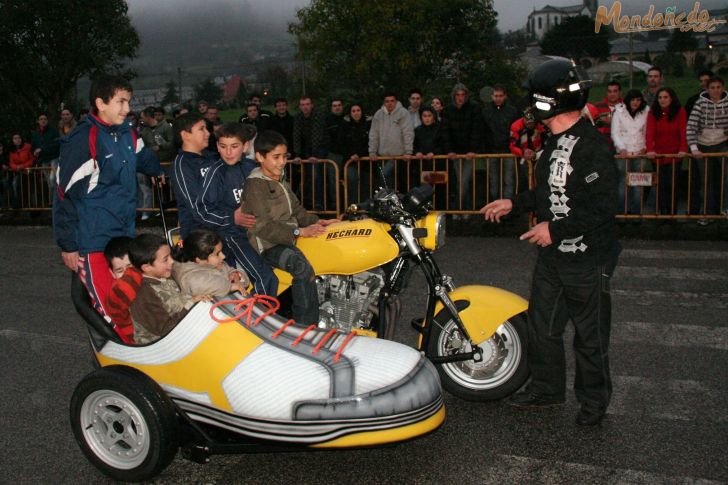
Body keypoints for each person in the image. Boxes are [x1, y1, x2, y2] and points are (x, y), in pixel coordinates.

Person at [481, 59, 620, 426]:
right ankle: (546, 390)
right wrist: (515, 202)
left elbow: (603, 207)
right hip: (552, 257)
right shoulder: (553, 140)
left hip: (589, 259)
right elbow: (547, 192)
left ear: (549, 102)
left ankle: (593, 404)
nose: (530, 105)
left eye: (534, 98)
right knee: (543, 327)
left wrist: (554, 230)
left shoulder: (593, 147)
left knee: (590, 338)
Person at [53, 74, 164, 318]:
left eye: (129, 101)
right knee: (111, 312)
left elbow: (143, 159)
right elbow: (64, 196)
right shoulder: (83, 139)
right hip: (92, 242)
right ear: (101, 103)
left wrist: (161, 171)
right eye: (121, 102)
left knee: (132, 305)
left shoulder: (127, 133)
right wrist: (68, 245)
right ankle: (112, 355)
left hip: (124, 237)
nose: (128, 108)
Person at [242, 130, 339, 324]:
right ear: (260, 157)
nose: (282, 162)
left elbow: (296, 209)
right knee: (302, 268)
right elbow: (262, 226)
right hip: (268, 245)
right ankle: (305, 327)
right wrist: (298, 231)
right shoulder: (255, 185)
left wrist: (316, 221)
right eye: (275, 157)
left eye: (284, 156)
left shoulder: (279, 178)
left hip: (286, 237)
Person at [195, 122, 278, 296]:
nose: (229, 152)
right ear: (217, 146)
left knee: (272, 275)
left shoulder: (252, 169)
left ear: (246, 146)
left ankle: (255, 312)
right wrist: (232, 218)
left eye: (234, 146)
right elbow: (202, 211)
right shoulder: (215, 173)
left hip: (258, 233)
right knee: (266, 278)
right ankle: (255, 321)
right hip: (231, 236)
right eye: (223, 146)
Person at [128, 234, 202, 344]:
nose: (172, 261)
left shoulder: (164, 274)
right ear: (147, 267)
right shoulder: (144, 298)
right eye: (165, 259)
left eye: (170, 255)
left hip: (183, 329)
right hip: (164, 347)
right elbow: (165, 330)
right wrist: (190, 304)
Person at [687, 76, 728, 221]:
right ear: (707, 89)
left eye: (718, 87)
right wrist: (694, 148)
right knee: (706, 181)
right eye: (712, 88)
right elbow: (691, 126)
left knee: (725, 179)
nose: (716, 91)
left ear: (722, 88)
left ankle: (725, 209)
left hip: (722, 144)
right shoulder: (700, 104)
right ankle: (706, 213)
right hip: (703, 145)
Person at [646, 87, 688, 216]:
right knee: (661, 185)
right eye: (660, 97)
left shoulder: (680, 111)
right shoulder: (653, 112)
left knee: (672, 185)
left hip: (674, 155)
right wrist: (650, 150)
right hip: (658, 155)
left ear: (671, 98)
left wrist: (683, 149)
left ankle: (672, 214)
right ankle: (663, 213)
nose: (662, 100)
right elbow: (650, 133)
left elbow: (683, 131)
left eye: (665, 97)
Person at [172, 228, 249, 299]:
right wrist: (232, 286)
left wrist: (235, 274)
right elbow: (220, 285)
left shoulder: (202, 258)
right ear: (199, 260)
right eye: (217, 253)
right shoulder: (194, 279)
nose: (223, 256)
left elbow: (227, 269)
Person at [171, 112, 213, 239]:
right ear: (185, 135)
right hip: (197, 234)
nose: (208, 133)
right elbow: (196, 205)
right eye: (201, 129)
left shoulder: (213, 157)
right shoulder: (182, 165)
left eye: (206, 128)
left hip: (220, 224)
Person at [441, 83, 482, 212]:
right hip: (455, 152)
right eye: (458, 95)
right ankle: (463, 210)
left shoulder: (474, 108)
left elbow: (476, 129)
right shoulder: (448, 110)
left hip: (469, 152)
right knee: (460, 182)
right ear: (454, 96)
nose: (460, 98)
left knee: (463, 181)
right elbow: (446, 131)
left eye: (463, 95)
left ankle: (460, 209)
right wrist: (449, 150)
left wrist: (473, 149)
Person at [611, 89, 649, 215]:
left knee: (638, 184)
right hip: (624, 153)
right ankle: (622, 213)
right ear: (628, 100)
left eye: (638, 100)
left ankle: (636, 213)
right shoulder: (619, 111)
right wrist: (621, 148)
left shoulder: (646, 111)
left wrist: (645, 147)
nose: (636, 102)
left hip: (639, 152)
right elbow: (615, 132)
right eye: (633, 99)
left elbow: (647, 132)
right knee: (623, 183)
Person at [368, 92, 414, 190]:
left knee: (386, 174)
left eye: (392, 101)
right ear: (384, 102)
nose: (390, 103)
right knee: (384, 181)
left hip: (398, 156)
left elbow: (408, 132)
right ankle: (389, 201)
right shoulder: (378, 114)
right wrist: (372, 151)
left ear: (396, 102)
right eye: (387, 101)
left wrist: (408, 151)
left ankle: (392, 198)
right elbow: (374, 134)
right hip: (382, 156)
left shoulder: (403, 113)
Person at [482, 84, 520, 200]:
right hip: (491, 151)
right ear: (492, 97)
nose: (498, 98)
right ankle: (495, 206)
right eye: (496, 96)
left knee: (508, 180)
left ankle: (507, 208)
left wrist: (514, 147)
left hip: (508, 151)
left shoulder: (512, 111)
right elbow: (483, 131)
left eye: (500, 96)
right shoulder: (486, 111)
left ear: (505, 96)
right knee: (494, 181)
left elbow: (517, 131)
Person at [292, 96, 328, 209]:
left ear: (311, 105)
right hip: (307, 149)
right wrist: (297, 154)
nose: (305, 107)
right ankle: (306, 202)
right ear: (300, 106)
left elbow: (317, 136)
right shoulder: (298, 118)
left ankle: (319, 203)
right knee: (306, 175)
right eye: (302, 105)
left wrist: (314, 155)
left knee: (315, 173)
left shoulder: (318, 116)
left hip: (321, 147)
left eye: (307, 104)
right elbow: (296, 136)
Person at [103, 236, 138, 343]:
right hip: (138, 342)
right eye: (119, 270)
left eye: (129, 267)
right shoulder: (118, 294)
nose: (127, 274)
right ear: (112, 273)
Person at [414, 106, 450, 207]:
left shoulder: (440, 129)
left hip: (438, 165)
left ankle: (442, 213)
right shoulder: (417, 130)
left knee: (440, 192)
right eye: (424, 116)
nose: (427, 118)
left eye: (429, 115)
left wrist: (434, 153)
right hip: (423, 166)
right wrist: (417, 152)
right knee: (423, 192)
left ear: (433, 116)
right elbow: (414, 145)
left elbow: (444, 145)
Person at [340, 103, 371, 204]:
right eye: (353, 111)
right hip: (350, 161)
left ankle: (365, 207)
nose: (356, 113)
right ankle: (352, 206)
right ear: (350, 113)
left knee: (365, 184)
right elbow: (342, 143)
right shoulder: (345, 126)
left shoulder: (369, 125)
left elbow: (371, 142)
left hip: (366, 161)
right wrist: (352, 154)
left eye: (358, 110)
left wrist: (360, 154)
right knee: (352, 179)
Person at [509, 107, 545, 194]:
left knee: (540, 179)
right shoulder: (516, 126)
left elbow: (547, 141)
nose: (529, 123)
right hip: (523, 157)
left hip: (539, 154)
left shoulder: (542, 124)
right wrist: (522, 153)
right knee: (523, 180)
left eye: (531, 121)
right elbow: (512, 145)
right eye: (527, 120)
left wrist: (538, 154)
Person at [31, 112, 60, 195]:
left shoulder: (53, 131)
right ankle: (53, 202)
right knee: (49, 182)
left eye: (45, 119)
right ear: (38, 121)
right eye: (41, 119)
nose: (43, 121)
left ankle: (55, 201)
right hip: (43, 159)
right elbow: (33, 146)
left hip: (54, 158)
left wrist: (41, 149)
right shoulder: (35, 134)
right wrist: (34, 152)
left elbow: (56, 145)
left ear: (47, 121)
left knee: (52, 179)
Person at [8, 133, 35, 209]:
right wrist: (16, 167)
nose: (17, 140)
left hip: (28, 172)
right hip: (18, 172)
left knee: (31, 189)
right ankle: (18, 204)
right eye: (15, 138)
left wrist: (22, 166)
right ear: (12, 140)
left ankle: (34, 207)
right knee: (15, 184)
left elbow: (32, 159)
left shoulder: (28, 147)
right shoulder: (11, 151)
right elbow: (11, 162)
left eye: (19, 137)